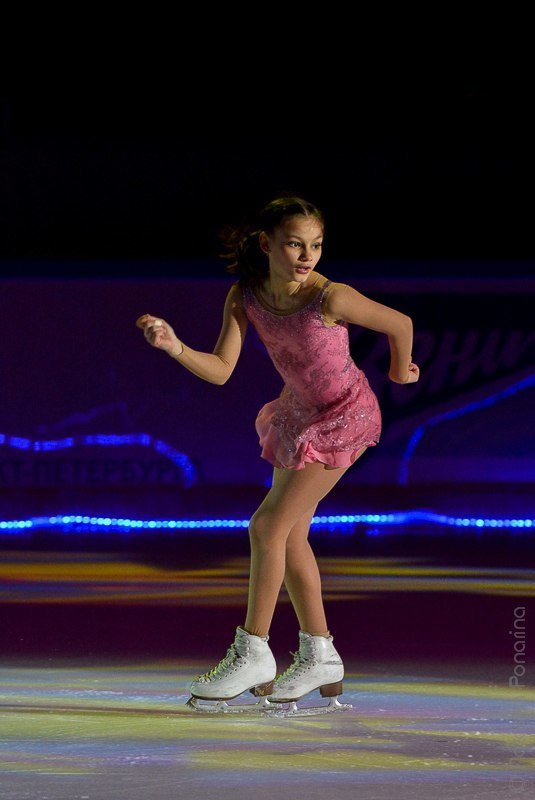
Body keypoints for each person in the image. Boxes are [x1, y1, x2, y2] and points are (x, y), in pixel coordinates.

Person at [136, 195, 419, 713]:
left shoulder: (331, 297)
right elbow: (222, 370)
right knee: (288, 537)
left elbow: (399, 324)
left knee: (267, 528)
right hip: (298, 416)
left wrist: (401, 371)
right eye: (294, 244)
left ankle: (254, 649)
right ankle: (320, 653)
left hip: (345, 417)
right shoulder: (245, 297)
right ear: (267, 244)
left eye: (315, 245)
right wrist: (174, 345)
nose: (307, 255)